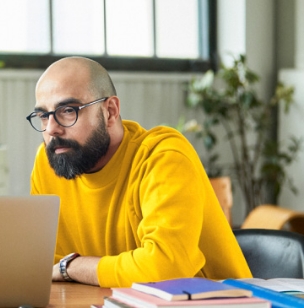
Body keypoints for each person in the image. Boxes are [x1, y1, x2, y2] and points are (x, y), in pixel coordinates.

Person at [27, 57, 251, 288]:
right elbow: (38, 264)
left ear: (110, 111)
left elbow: (165, 268)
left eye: (67, 110)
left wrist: (72, 267)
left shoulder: (163, 157)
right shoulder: (48, 163)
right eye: (43, 115)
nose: (52, 128)